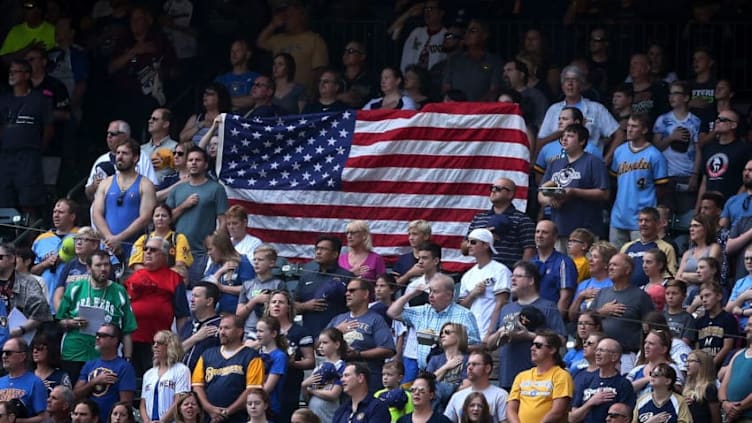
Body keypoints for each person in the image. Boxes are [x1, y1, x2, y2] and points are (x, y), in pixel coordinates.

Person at [56, 250, 137, 382]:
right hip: (74, 353)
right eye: (98, 265)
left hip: (105, 355)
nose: (103, 269)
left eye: (106, 265)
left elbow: (127, 329)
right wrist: (71, 322)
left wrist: (127, 358)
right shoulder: (75, 288)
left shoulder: (119, 291)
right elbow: (59, 321)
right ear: (89, 268)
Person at [487, 260, 567, 391]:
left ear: (531, 281)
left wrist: (529, 336)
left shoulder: (548, 307)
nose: (513, 279)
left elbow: (561, 340)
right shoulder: (506, 308)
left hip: (539, 380)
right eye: (512, 276)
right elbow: (489, 344)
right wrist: (502, 332)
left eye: (518, 276)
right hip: (508, 377)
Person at [124, 235, 190, 375]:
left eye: (153, 250)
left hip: (159, 342)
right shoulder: (135, 276)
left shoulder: (174, 278)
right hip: (131, 340)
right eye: (146, 249)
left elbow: (182, 314)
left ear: (164, 255)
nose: (147, 252)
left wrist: (181, 342)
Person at [388, 273, 481, 371]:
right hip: (425, 372)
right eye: (430, 291)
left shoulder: (464, 315)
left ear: (448, 295)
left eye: (435, 292)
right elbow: (392, 312)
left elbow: (478, 347)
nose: (431, 295)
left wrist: (450, 344)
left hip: (453, 374)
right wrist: (413, 293)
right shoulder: (423, 311)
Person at [166, 146, 229, 283]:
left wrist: (215, 245)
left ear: (205, 165)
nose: (193, 163)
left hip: (202, 253)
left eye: (198, 160)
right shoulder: (177, 189)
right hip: (177, 252)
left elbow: (223, 221)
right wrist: (184, 206)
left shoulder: (216, 189)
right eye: (190, 160)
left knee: (198, 292)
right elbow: (165, 219)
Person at [539, 123, 610, 241]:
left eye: (570, 136)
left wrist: (575, 192)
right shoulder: (555, 163)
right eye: (563, 136)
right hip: (558, 229)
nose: (564, 139)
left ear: (582, 141)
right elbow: (541, 193)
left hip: (585, 232)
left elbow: (604, 193)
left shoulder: (594, 162)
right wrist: (550, 200)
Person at [537, 65, 622, 161]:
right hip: (558, 166)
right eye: (566, 80)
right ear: (562, 86)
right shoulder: (553, 110)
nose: (570, 83)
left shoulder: (596, 109)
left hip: (589, 166)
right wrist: (562, 132)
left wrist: (606, 160)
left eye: (575, 80)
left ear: (582, 85)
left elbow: (619, 134)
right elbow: (540, 143)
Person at [610, 115, 670, 249]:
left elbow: (661, 188)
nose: (629, 129)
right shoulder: (619, 151)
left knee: (640, 261)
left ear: (644, 130)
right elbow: (614, 180)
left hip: (642, 219)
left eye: (634, 126)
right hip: (619, 216)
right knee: (615, 260)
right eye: (629, 126)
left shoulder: (655, 155)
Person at [91, 138, 157, 259]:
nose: (119, 157)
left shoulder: (145, 184)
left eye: (125, 153)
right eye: (118, 153)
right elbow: (96, 213)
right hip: (107, 249)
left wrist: (119, 239)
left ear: (135, 158)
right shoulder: (106, 183)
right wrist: (110, 238)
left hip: (135, 250)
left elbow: (145, 218)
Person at [589, 253, 655, 374]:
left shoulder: (641, 296)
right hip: (599, 355)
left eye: (615, 265)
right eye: (609, 265)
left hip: (626, 356)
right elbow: (587, 318)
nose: (610, 268)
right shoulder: (602, 293)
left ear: (627, 270)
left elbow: (651, 327)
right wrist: (601, 312)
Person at [191, 315, 264, 423]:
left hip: (238, 418)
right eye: (220, 328)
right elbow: (197, 386)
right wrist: (209, 409)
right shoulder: (207, 354)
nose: (222, 332)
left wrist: (227, 412)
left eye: (227, 328)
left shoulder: (252, 356)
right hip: (208, 418)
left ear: (239, 331)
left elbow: (252, 389)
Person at [327, 278, 395, 392]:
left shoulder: (376, 320)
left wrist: (358, 354)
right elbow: (317, 345)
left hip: (367, 377)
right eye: (347, 291)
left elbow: (388, 349)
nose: (347, 293)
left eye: (352, 290)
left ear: (365, 294)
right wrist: (336, 331)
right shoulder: (338, 319)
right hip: (337, 379)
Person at [256, 0, 328, 93]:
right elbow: (260, 42)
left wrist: (314, 93)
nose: (285, 20)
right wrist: (273, 25)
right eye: (284, 17)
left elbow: (319, 70)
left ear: (301, 17)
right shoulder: (279, 39)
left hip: (301, 95)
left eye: (289, 17)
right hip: (277, 94)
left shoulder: (314, 40)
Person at [263, 290, 313, 422]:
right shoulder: (259, 331)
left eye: (281, 302)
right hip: (262, 384)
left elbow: (310, 361)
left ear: (289, 307)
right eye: (273, 302)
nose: (276, 305)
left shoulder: (300, 332)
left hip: (288, 386)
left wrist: (292, 363)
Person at [464, 177, 536, 269]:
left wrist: (520, 275)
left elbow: (529, 251)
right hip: (480, 273)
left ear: (510, 194)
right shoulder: (479, 218)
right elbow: (464, 250)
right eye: (492, 188)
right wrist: (481, 235)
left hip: (509, 275)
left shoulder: (523, 220)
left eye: (498, 189)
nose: (493, 191)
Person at [506, 330, 574, 423]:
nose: (532, 348)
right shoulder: (521, 376)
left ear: (552, 350)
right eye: (533, 344)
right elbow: (511, 409)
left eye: (538, 346)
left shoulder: (562, 376)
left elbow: (557, 412)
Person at [74, 323, 137, 422]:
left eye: (103, 336)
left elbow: (125, 404)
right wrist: (94, 382)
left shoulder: (124, 367)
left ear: (115, 340)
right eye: (97, 335)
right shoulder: (89, 364)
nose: (98, 338)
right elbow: (76, 394)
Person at [84, 120, 158, 202]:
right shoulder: (101, 160)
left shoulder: (142, 157)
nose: (109, 136)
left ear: (125, 136)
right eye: (108, 133)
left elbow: (154, 188)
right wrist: (94, 186)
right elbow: (88, 194)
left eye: (113, 134)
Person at [295, 235, 353, 337]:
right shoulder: (306, 276)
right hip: (308, 337)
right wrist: (305, 306)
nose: (318, 252)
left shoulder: (347, 277)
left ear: (335, 254)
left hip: (336, 336)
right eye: (317, 248)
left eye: (324, 249)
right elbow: (292, 305)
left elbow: (356, 308)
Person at [459, 228, 511, 340]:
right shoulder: (468, 275)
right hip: (470, 334)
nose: (468, 245)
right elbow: (461, 307)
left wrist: (490, 333)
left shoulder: (500, 270)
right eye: (468, 241)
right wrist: (472, 294)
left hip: (493, 334)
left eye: (473, 242)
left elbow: (501, 303)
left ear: (486, 245)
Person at [569, 337, 635, 423]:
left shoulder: (623, 384)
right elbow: (572, 418)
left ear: (614, 357)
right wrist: (590, 402)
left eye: (602, 350)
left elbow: (624, 418)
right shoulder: (586, 379)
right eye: (597, 350)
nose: (597, 354)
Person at [31, 198, 78, 307]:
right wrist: (45, 264)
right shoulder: (41, 239)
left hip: (73, 301)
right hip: (46, 302)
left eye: (61, 212)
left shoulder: (82, 236)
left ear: (72, 216)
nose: (56, 215)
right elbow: (31, 272)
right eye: (54, 212)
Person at [441, 19, 502, 102]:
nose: (467, 34)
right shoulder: (454, 60)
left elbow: (494, 90)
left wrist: (474, 107)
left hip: (482, 112)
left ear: (484, 35)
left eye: (473, 31)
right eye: (466, 31)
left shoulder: (494, 61)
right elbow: (446, 87)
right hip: (456, 110)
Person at [0, 243, 52, 339]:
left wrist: (21, 329)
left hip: (18, 341)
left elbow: (41, 314)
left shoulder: (29, 283)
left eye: (0, 257)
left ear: (12, 259)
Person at [128, 203, 193, 278]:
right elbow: (136, 266)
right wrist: (154, 277)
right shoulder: (143, 239)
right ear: (152, 219)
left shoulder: (179, 238)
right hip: (147, 280)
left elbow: (180, 266)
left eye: (164, 216)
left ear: (170, 219)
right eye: (157, 216)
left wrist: (161, 277)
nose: (160, 218)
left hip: (170, 279)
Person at [139, 331, 190, 423]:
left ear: (170, 346)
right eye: (154, 343)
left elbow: (179, 400)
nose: (155, 346)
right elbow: (143, 404)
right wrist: (147, 421)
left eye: (160, 343)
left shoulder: (181, 370)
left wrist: (162, 421)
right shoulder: (148, 374)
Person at [444, 351, 508, 423]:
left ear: (487, 368)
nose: (469, 368)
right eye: (468, 364)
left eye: (474, 364)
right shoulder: (457, 396)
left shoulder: (501, 395)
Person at [531, 220, 578, 317]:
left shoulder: (563, 262)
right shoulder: (530, 262)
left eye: (545, 232)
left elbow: (565, 297)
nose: (539, 235)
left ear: (555, 238)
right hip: (529, 317)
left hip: (549, 320)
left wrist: (554, 322)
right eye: (537, 231)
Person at [237, 245, 285, 341]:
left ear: (271, 263)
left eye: (260, 260)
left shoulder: (278, 284)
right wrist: (254, 300)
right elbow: (238, 315)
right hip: (249, 333)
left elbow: (285, 312)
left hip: (271, 333)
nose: (256, 263)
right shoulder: (247, 285)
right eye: (254, 260)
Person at [51, 227, 103, 311]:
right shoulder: (69, 265)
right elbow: (58, 294)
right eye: (77, 239)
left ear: (95, 244)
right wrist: (63, 316)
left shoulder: (103, 266)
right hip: (68, 315)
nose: (78, 242)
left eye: (84, 239)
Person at [203, 230, 254, 314]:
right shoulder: (214, 265)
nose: (209, 253)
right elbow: (205, 286)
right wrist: (220, 271)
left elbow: (250, 288)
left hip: (235, 315)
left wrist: (223, 288)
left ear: (221, 247)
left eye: (210, 249)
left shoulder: (242, 262)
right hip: (216, 314)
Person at [302, 327, 346, 423]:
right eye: (320, 343)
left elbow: (333, 394)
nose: (320, 346)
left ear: (337, 344)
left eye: (325, 343)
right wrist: (304, 385)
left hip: (328, 413)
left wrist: (312, 391)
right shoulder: (319, 366)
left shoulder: (341, 367)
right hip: (314, 411)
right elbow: (306, 397)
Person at [0, 338, 47, 423]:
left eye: (8, 353)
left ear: (22, 356)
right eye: (2, 353)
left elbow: (43, 418)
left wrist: (15, 421)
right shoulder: (0, 381)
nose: (4, 356)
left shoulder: (35, 383)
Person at [626, 329, 684, 397]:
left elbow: (678, 391)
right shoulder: (637, 369)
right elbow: (624, 390)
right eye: (645, 342)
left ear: (663, 349)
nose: (646, 346)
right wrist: (647, 379)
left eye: (651, 344)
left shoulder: (673, 369)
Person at [693, 281, 738, 368]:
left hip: (721, 365)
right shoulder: (700, 322)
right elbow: (697, 348)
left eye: (707, 295)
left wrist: (711, 365)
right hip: (702, 365)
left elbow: (727, 347)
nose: (704, 300)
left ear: (719, 296)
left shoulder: (728, 319)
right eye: (701, 297)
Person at [569, 242, 617, 320]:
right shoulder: (583, 284)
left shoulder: (613, 285)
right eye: (590, 256)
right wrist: (580, 297)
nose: (590, 260)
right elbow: (572, 317)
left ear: (606, 263)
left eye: (595, 257)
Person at [676, 214, 721, 297]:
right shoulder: (688, 253)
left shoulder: (714, 248)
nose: (691, 229)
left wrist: (685, 275)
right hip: (685, 294)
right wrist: (696, 277)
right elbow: (678, 278)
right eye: (690, 226)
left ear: (706, 228)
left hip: (705, 294)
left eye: (696, 226)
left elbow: (708, 274)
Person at [179, 282, 221, 372]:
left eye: (196, 296)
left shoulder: (221, 326)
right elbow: (173, 353)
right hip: (182, 379)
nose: (192, 300)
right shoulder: (188, 324)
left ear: (209, 301)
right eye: (192, 296)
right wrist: (195, 338)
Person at [427, 322, 469, 406]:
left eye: (447, 332)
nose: (442, 335)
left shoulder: (467, 359)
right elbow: (426, 382)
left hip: (458, 402)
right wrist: (446, 367)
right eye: (441, 333)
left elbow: (467, 385)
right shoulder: (435, 359)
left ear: (459, 336)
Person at [397, 0, 446, 72]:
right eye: (425, 9)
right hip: (412, 79)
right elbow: (405, 56)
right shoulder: (416, 32)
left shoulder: (446, 36)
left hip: (435, 80)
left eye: (431, 8)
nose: (427, 12)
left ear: (441, 13)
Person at [719, 318, 752, 421]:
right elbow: (724, 384)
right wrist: (725, 403)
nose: (746, 328)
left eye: (750, 325)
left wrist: (739, 407)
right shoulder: (738, 354)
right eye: (747, 325)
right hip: (729, 415)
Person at [254, 316, 287, 417]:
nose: (257, 334)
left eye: (261, 331)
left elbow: (268, 388)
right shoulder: (256, 353)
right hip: (252, 404)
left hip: (269, 406)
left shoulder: (280, 356)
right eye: (257, 331)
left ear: (273, 334)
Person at [214, 39, 259, 111]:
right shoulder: (221, 79)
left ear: (248, 54)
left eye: (238, 51)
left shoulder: (257, 78)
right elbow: (215, 100)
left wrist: (226, 101)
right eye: (232, 51)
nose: (233, 54)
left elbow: (255, 100)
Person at [682, 350, 721, 423]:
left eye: (691, 361)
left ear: (703, 364)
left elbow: (716, 417)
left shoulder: (709, 388)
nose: (686, 365)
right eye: (687, 361)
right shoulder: (687, 387)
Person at [392, 220, 432, 287]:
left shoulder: (433, 258)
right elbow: (393, 287)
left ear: (426, 236)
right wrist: (409, 274)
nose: (411, 238)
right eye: (409, 234)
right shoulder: (402, 259)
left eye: (415, 234)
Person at [339, 40, 378, 109]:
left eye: (351, 51)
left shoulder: (370, 78)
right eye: (345, 51)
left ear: (362, 56)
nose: (346, 54)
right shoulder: (337, 77)